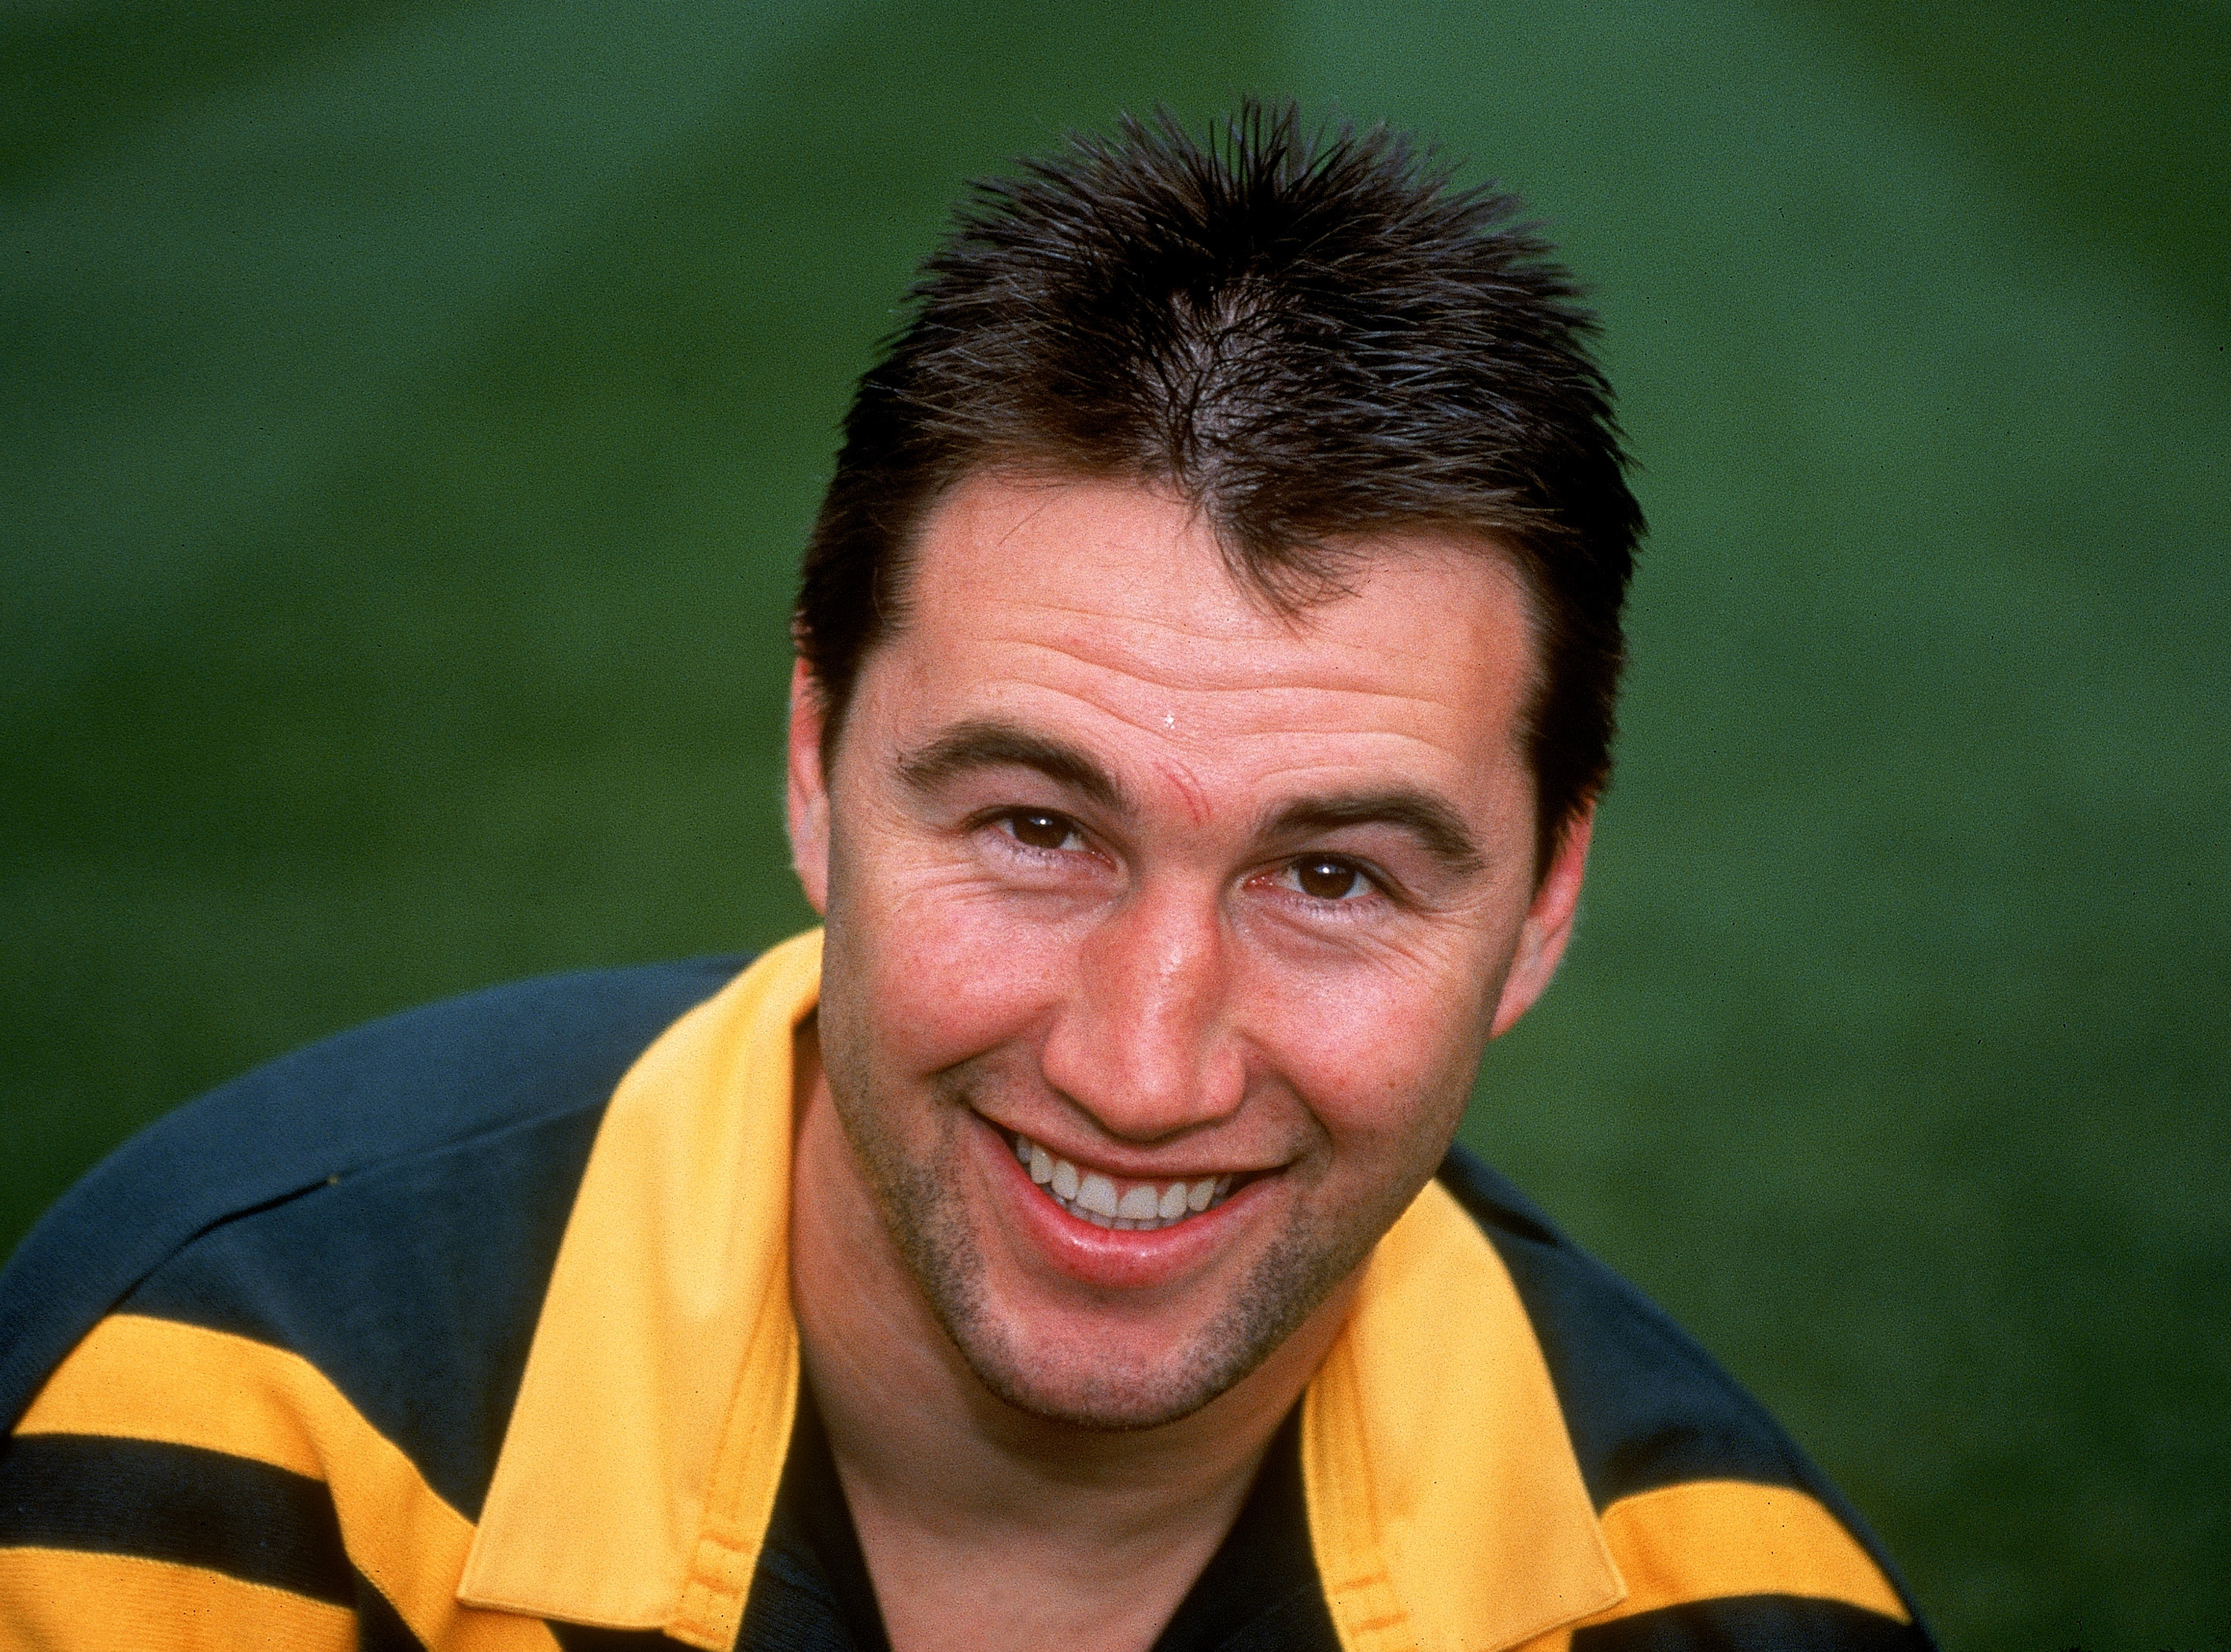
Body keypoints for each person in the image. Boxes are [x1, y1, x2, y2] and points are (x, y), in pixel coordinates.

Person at [0, 105, 1934, 1651]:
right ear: (811, 768)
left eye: (1331, 875)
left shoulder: (1729, 1611)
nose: (1144, 1066)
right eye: (1035, 828)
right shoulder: (217, 1413)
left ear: (1538, 912)